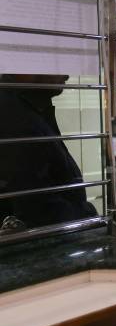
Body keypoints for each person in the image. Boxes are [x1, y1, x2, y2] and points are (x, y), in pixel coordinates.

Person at [0, 74, 97, 228]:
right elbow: (39, 209)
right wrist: (88, 215)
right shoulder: (14, 117)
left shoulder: (28, 107)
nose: (66, 74)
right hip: (38, 244)